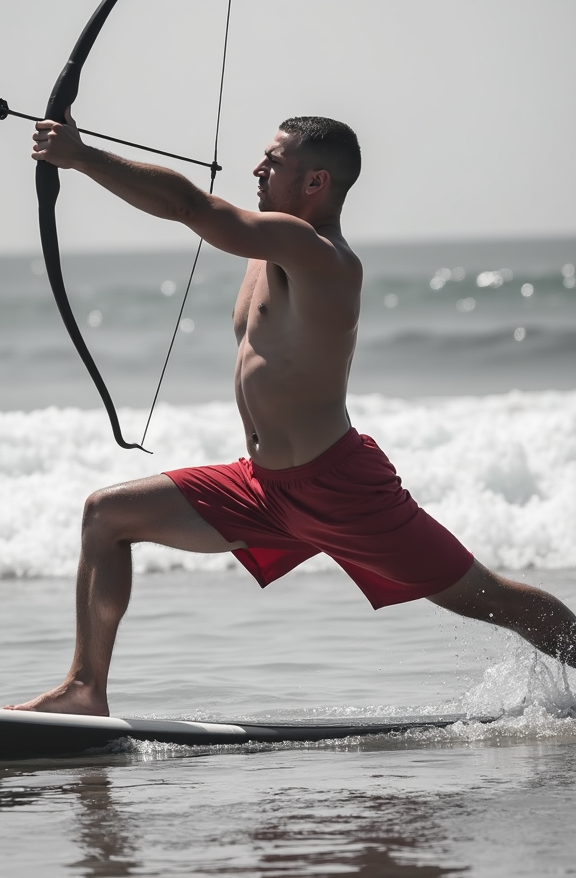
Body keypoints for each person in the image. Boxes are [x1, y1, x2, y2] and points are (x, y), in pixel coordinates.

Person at [7, 113, 576, 716]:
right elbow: (203, 214)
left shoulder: (321, 255)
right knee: (106, 515)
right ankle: (84, 689)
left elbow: (189, 206)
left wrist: (83, 156)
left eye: (274, 161)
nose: (257, 168)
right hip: (264, 489)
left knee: (489, 598)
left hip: (340, 489)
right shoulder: (267, 248)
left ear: (316, 182)